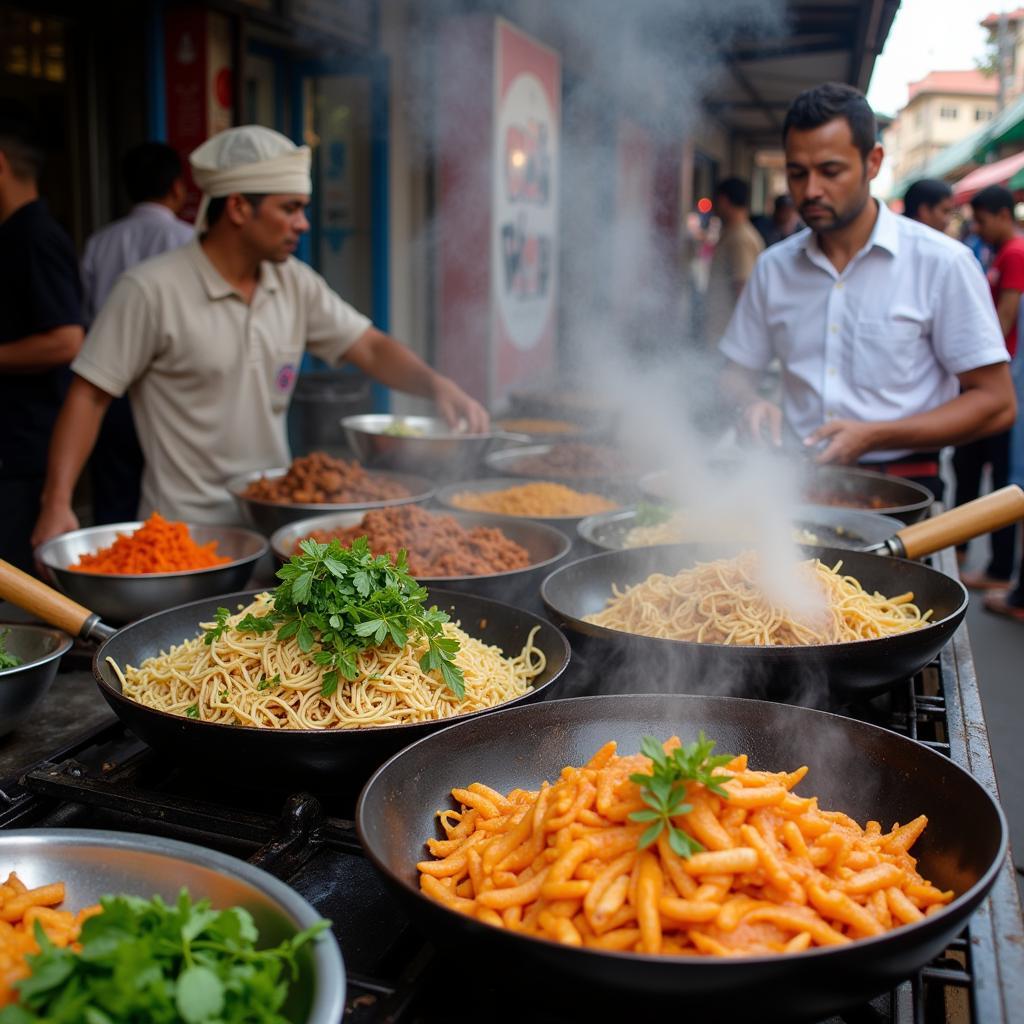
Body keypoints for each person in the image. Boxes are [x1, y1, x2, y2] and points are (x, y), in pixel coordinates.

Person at [31, 126, 487, 543]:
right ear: (238, 207)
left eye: (302, 209)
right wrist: (56, 504)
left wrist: (436, 386)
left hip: (275, 531)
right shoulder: (149, 289)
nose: (303, 224)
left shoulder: (294, 282)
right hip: (183, 537)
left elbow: (367, 346)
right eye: (289, 209)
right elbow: (88, 396)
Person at [718, 82, 1015, 501]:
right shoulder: (774, 268)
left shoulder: (942, 263)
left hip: (905, 491)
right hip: (800, 488)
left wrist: (875, 435)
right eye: (798, 173)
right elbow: (734, 375)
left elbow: (997, 402)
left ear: (873, 162)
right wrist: (750, 402)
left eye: (831, 171)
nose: (811, 190)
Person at [81, 142, 194, 524]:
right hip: (171, 393)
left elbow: (85, 315)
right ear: (177, 188)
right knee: (169, 497)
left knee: (114, 495)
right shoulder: (189, 241)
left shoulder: (100, 242)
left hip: (109, 389)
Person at [0, 103, 84, 572]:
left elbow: (65, 340)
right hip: (15, 447)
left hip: (26, 451)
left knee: (16, 583)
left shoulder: (35, 236)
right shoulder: (13, 233)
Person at [951, 185, 1023, 587]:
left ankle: (999, 568)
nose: (976, 227)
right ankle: (972, 558)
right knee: (970, 466)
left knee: (1002, 477)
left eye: (980, 220)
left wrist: (977, 365)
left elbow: (1005, 317)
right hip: (995, 380)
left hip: (1004, 383)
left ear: (1001, 215)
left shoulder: (1014, 253)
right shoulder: (1000, 252)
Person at [705, 177, 764, 343]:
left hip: (729, 337)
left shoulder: (740, 237)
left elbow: (743, 288)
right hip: (722, 334)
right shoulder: (733, 233)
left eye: (716, 201)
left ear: (723, 201)